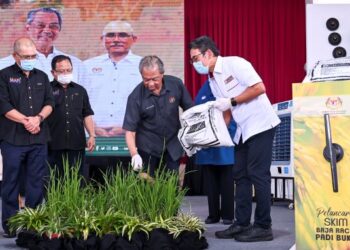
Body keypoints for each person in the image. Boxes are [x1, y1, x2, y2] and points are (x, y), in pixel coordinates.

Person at [189, 36, 280, 242]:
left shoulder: (235, 63)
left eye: (195, 59)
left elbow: (259, 88)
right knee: (240, 175)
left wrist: (231, 100)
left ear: (208, 54)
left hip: (261, 124)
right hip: (242, 130)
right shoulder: (212, 79)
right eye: (192, 61)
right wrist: (219, 134)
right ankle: (241, 223)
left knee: (258, 174)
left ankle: (264, 226)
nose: (195, 64)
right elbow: (226, 109)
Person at [0, 37, 54, 238]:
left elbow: (50, 103)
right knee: (11, 182)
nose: (31, 59)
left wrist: (38, 118)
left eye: (33, 56)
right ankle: (11, 224)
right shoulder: (4, 76)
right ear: (15, 56)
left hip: (38, 139)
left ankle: (33, 223)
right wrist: (26, 121)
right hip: (12, 139)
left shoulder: (42, 76)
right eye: (26, 56)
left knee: (36, 182)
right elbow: (3, 106)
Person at [123, 55, 193, 176]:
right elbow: (130, 131)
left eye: (154, 79)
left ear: (162, 74)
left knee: (171, 188)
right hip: (148, 149)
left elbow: (190, 110)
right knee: (147, 189)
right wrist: (134, 154)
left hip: (172, 146)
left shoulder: (176, 84)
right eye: (146, 79)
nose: (150, 84)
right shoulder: (135, 97)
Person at [83, 21, 142, 137]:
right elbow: (78, 101)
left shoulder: (144, 65)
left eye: (122, 35)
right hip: (92, 135)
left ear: (134, 39)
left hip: (134, 135)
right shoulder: (87, 66)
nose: (116, 39)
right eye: (110, 35)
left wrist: (128, 127)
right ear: (102, 39)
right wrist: (91, 127)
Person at [0, 7, 85, 83]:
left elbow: (85, 98)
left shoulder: (76, 64)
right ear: (28, 28)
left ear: (59, 29)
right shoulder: (5, 65)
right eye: (40, 25)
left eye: (53, 26)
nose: (47, 30)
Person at [194, 79, 236, 225]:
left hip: (223, 137)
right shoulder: (204, 88)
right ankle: (213, 214)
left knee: (226, 179)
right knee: (210, 181)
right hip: (206, 141)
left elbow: (228, 112)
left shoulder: (224, 86)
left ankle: (228, 215)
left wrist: (219, 133)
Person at [47, 55, 95, 178]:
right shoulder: (46, 90)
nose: (65, 73)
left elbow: (87, 114)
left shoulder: (80, 90)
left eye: (68, 70)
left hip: (76, 143)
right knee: (54, 179)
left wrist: (92, 135)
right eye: (61, 71)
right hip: (52, 144)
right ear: (53, 72)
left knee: (76, 178)